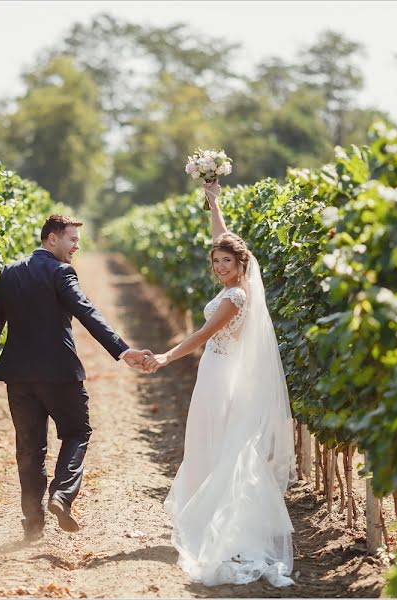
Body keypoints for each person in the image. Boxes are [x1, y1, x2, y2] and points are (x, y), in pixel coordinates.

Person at [143, 180, 297, 587]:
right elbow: (222, 239)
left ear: (241, 263)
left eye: (225, 261)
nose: (219, 267)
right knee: (206, 440)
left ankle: (215, 521)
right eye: (215, 262)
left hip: (219, 375)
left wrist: (165, 357)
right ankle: (209, 515)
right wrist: (214, 204)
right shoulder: (235, 286)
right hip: (214, 372)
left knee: (212, 442)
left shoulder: (236, 299)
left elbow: (203, 335)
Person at [0, 214, 153, 542]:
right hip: (59, 374)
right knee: (77, 432)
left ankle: (33, 522)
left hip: (19, 377)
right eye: (71, 239)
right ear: (51, 239)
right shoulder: (61, 272)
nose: (76, 246)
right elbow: (87, 312)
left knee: (29, 449)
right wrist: (123, 351)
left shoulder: (10, 272)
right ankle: (62, 495)